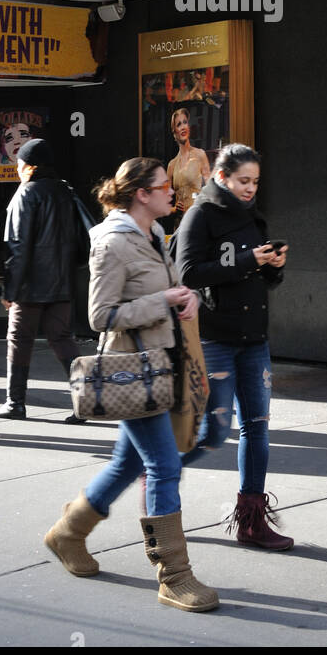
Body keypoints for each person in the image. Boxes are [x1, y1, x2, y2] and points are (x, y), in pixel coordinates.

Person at [44, 157, 219, 613]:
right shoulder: (111, 244)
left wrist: (186, 296)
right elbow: (100, 316)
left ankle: (68, 533)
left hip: (161, 367)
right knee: (163, 466)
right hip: (130, 371)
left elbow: (168, 288)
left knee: (127, 463)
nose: (171, 193)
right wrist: (161, 300)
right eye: (164, 187)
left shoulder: (154, 235)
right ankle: (174, 576)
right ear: (141, 194)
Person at [174, 143, 292, 550]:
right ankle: (159, 473)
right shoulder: (200, 215)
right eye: (243, 180)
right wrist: (246, 261)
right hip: (215, 338)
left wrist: (273, 266)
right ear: (221, 177)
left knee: (257, 427)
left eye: (255, 181)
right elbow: (187, 272)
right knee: (214, 430)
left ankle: (252, 521)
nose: (250, 188)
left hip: (254, 338)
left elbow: (262, 279)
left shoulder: (252, 215)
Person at [0, 137, 84, 421]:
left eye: (20, 162)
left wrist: (10, 288)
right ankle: (85, 402)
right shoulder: (65, 191)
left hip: (31, 285)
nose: (18, 167)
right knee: (62, 339)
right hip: (62, 282)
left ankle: (15, 402)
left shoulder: (25, 194)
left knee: (19, 339)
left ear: (29, 166)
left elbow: (17, 248)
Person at [167, 108, 210, 219]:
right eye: (179, 124)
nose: (183, 127)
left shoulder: (200, 154)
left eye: (185, 122)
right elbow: (162, 204)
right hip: (179, 225)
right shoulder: (171, 165)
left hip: (197, 220)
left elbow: (211, 190)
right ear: (174, 131)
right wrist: (174, 209)